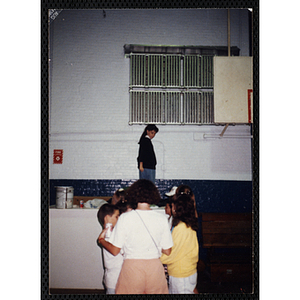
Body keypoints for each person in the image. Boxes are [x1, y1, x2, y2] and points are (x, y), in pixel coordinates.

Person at [98, 179, 173, 294]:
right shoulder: (162, 218)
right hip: (154, 268)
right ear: (153, 194)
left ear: (134, 194)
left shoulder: (125, 218)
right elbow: (167, 251)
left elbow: (114, 250)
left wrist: (101, 240)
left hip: (132, 267)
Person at [160, 194, 199, 294]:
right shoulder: (188, 224)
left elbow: (172, 253)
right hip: (187, 271)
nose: (172, 209)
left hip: (181, 274)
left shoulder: (181, 227)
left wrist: (158, 258)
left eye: (173, 206)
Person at [97, 204, 123, 294]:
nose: (119, 218)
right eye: (116, 216)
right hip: (114, 280)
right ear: (107, 218)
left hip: (116, 279)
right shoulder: (109, 236)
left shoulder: (109, 235)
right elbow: (117, 251)